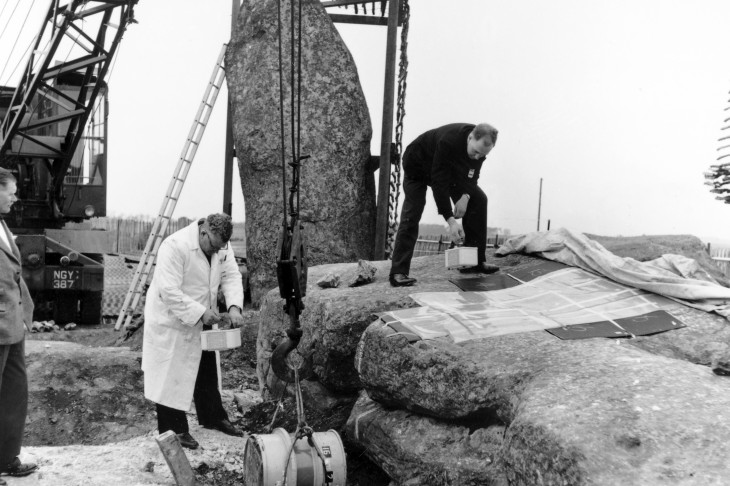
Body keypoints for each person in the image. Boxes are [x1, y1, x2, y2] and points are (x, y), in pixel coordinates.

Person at [142, 213, 245, 449]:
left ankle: (213, 417)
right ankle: (174, 430)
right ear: (204, 232)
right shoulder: (174, 246)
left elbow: (231, 276)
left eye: (221, 248)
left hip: (203, 316)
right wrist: (199, 312)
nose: (216, 252)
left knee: (206, 367)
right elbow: (169, 291)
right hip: (172, 319)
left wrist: (234, 306)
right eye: (213, 246)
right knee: (171, 374)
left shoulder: (220, 247)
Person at [389, 123, 499, 287]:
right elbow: (439, 183)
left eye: (481, 155)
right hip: (418, 164)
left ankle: (475, 262)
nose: (477, 157)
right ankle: (398, 271)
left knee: (479, 200)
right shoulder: (449, 141)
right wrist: (451, 221)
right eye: (475, 152)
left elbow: (473, 175)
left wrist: (466, 197)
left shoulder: (479, 149)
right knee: (413, 211)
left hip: (449, 168)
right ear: (470, 138)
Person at [0, 168, 38, 483]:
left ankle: (7, 458)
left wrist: (24, 315)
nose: (15, 197)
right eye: (10, 191)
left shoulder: (2, 225)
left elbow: (13, 275)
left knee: (14, 393)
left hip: (11, 327)